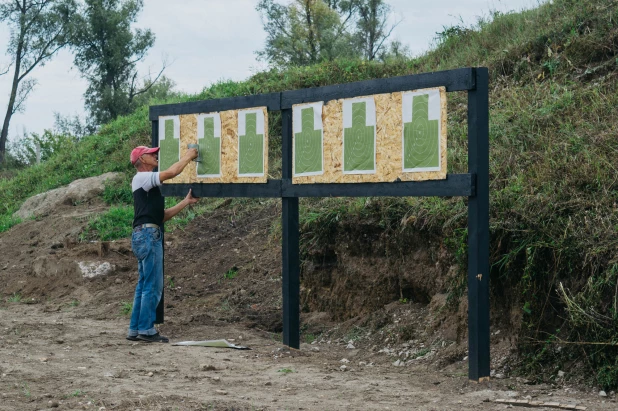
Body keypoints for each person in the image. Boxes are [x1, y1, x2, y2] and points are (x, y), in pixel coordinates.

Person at [126, 145, 198, 343]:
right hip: (149, 235)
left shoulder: (146, 185)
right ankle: (146, 330)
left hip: (145, 233)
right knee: (153, 285)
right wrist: (190, 155)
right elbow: (173, 172)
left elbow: (161, 216)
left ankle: (135, 328)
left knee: (143, 284)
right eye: (151, 154)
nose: (155, 155)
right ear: (143, 160)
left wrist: (185, 202)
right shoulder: (143, 177)